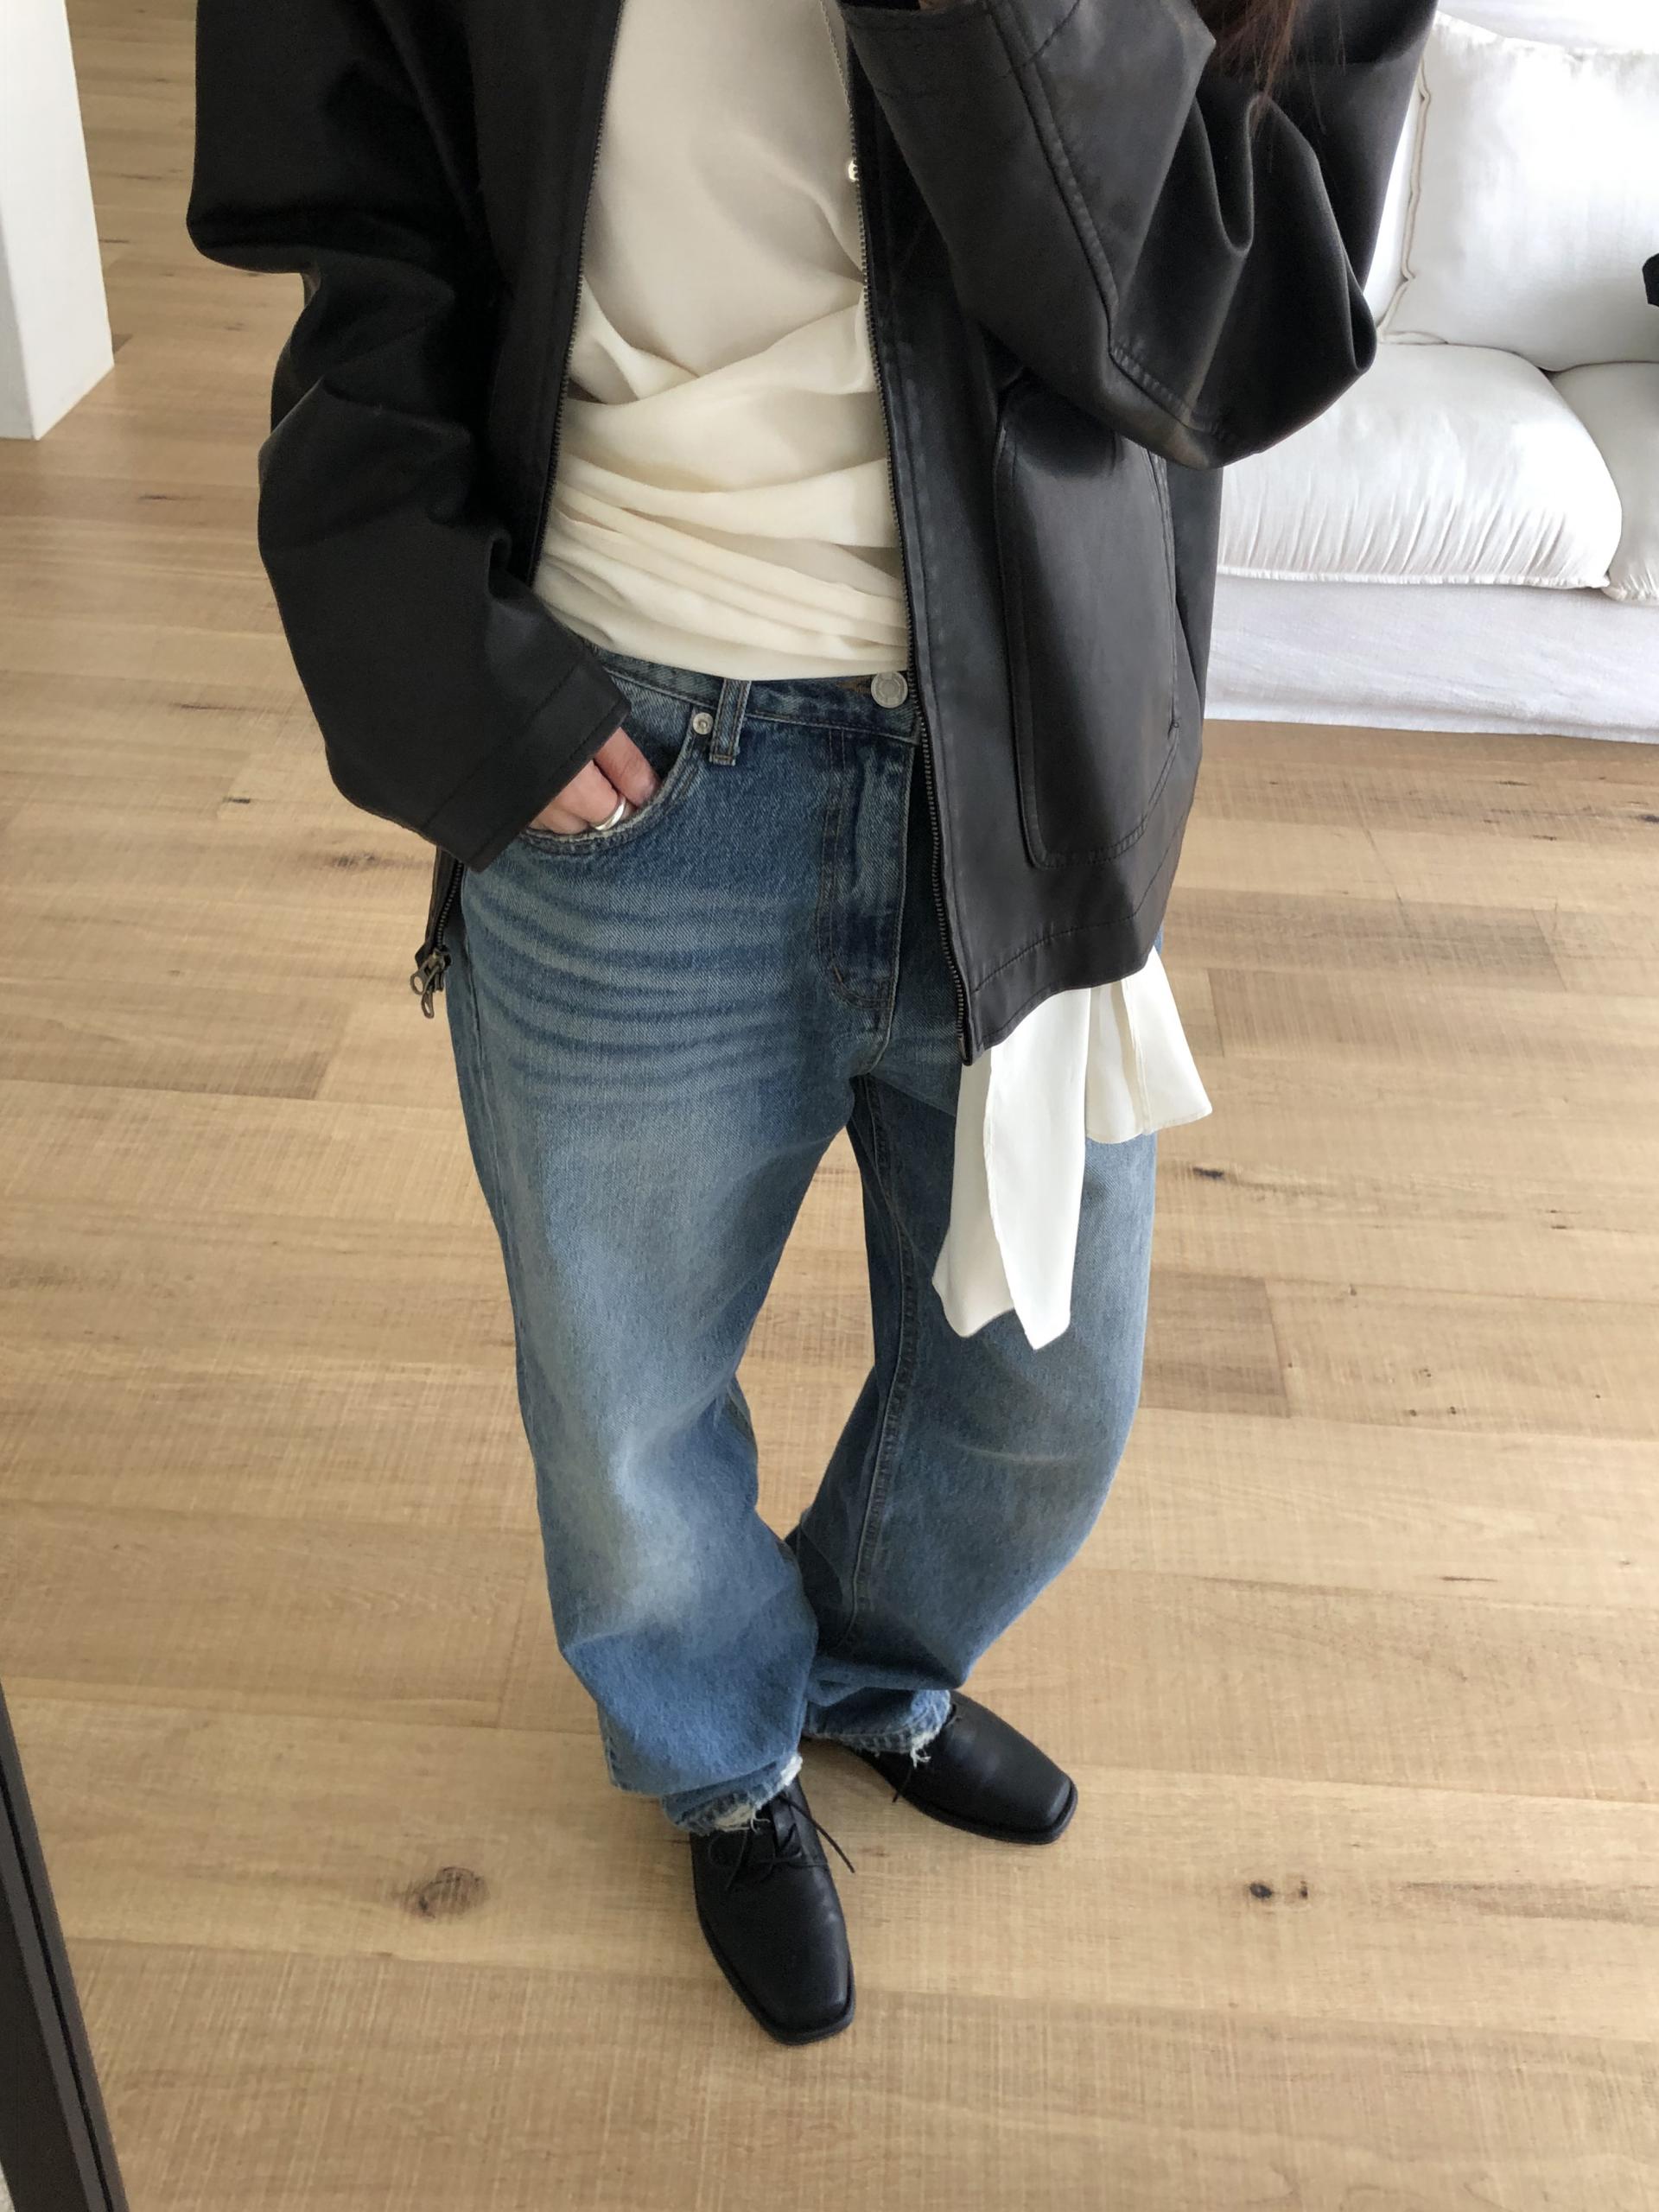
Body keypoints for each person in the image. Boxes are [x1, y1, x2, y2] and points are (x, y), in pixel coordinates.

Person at [188, 0, 1435, 2044]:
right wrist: (440, 664)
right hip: (621, 749)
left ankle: (862, 1678)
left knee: (1042, 1401)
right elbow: (349, 185)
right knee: (624, 1413)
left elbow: (1245, 313)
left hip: (1029, 744)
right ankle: (723, 1755)